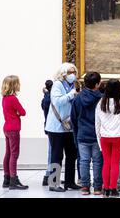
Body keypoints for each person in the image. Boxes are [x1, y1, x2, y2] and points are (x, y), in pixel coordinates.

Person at [45, 63, 81, 192]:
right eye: (70, 72)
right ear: (63, 73)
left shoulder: (73, 85)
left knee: (72, 155)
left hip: (69, 126)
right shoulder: (58, 85)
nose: (73, 75)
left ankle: (70, 182)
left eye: (74, 72)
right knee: (56, 155)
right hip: (56, 127)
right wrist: (71, 94)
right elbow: (57, 101)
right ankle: (53, 183)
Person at [71, 72, 103, 196]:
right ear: (97, 84)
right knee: (97, 161)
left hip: (82, 133)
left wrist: (77, 132)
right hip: (97, 134)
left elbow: (73, 117)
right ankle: (97, 187)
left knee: (83, 161)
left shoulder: (78, 98)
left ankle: (85, 186)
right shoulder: (102, 98)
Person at [95, 79, 120, 198]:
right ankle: (113, 189)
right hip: (119, 136)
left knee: (106, 163)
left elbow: (97, 124)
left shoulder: (100, 103)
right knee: (115, 163)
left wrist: (99, 141)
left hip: (104, 136)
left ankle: (106, 189)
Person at [1, 75, 28, 190]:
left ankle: (6, 179)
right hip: (13, 129)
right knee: (14, 154)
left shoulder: (5, 98)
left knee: (8, 153)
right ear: (14, 85)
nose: (19, 85)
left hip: (6, 128)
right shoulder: (13, 98)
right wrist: (17, 115)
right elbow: (23, 112)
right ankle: (13, 180)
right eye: (18, 83)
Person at [41, 80, 53, 186]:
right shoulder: (49, 98)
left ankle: (49, 175)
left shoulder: (45, 98)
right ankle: (48, 175)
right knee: (52, 152)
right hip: (52, 128)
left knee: (52, 152)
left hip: (48, 126)